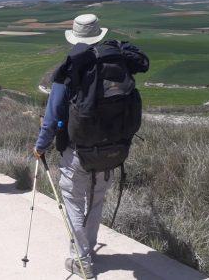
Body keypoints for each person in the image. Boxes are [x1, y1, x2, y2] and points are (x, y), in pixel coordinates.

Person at [33, 14, 149, 279]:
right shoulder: (117, 63)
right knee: (95, 202)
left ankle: (81, 260)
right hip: (113, 151)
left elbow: (51, 118)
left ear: (75, 36)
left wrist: (40, 147)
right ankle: (88, 250)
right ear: (98, 34)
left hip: (78, 153)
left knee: (74, 203)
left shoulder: (71, 68)